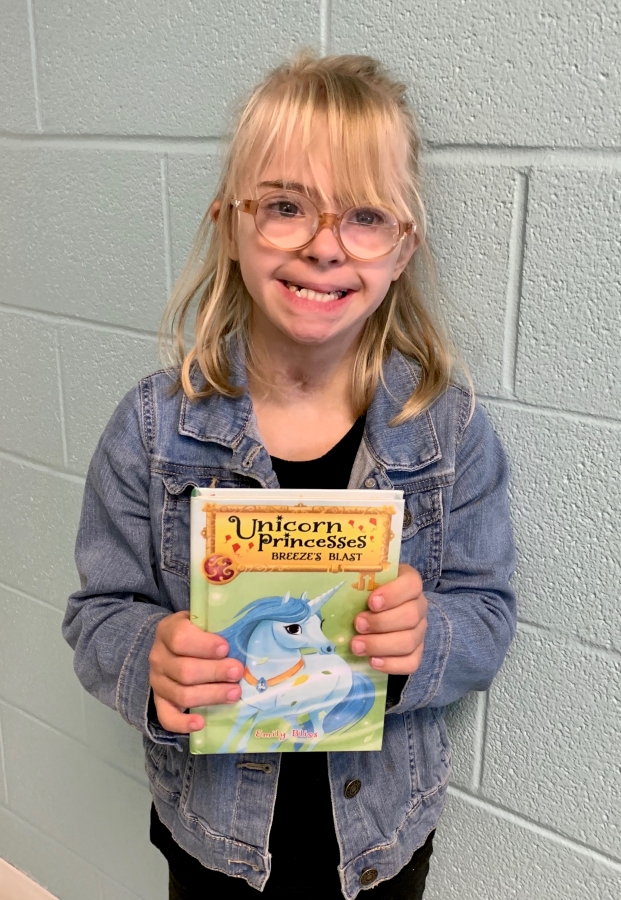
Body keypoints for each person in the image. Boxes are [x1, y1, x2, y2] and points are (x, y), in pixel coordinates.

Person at [63, 52, 516, 900]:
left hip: (378, 841)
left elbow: (486, 611)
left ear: (402, 246)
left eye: (365, 216)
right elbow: (98, 616)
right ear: (229, 226)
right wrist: (150, 661)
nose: (321, 245)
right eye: (282, 206)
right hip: (212, 839)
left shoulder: (447, 431)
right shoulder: (153, 429)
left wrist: (424, 645)